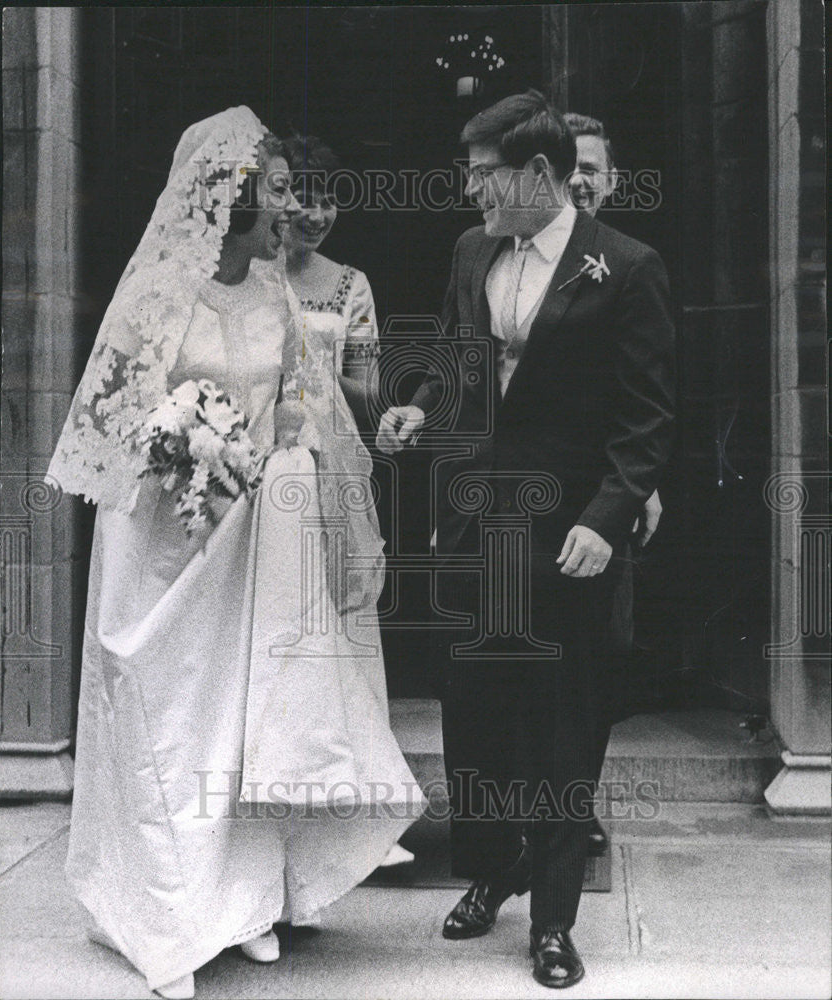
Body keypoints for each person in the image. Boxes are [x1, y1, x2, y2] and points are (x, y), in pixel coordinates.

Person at [48, 107, 423, 1000]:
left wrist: (268, 453)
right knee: (167, 717)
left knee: (237, 719)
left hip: (247, 534)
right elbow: (110, 419)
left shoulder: (273, 292)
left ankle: (244, 904)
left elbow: (301, 404)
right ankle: (166, 913)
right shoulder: (154, 295)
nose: (284, 211)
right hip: (157, 540)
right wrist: (182, 441)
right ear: (227, 201)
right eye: (271, 195)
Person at [377, 90, 675, 988]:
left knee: (561, 722)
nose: (470, 195)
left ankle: (551, 919)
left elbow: (647, 419)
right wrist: (415, 408)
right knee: (475, 716)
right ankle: (497, 866)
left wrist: (604, 518)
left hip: (566, 536)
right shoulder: (472, 251)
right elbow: (456, 357)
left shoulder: (625, 267)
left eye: (482, 178)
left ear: (538, 174)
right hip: (476, 523)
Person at [279, 132, 415, 869]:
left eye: (328, 197)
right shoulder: (245, 274)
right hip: (266, 464)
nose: (316, 211)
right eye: (302, 194)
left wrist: (392, 405)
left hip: (332, 468)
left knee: (343, 620)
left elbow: (362, 379)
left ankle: (362, 804)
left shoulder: (348, 283)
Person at [564, 110, 665, 856]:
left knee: (595, 661)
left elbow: (646, 395)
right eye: (563, 164)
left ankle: (573, 804)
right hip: (523, 494)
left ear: (612, 181)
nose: (576, 179)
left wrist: (636, 486)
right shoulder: (505, 258)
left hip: (604, 495)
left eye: (590, 168)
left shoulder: (629, 265)